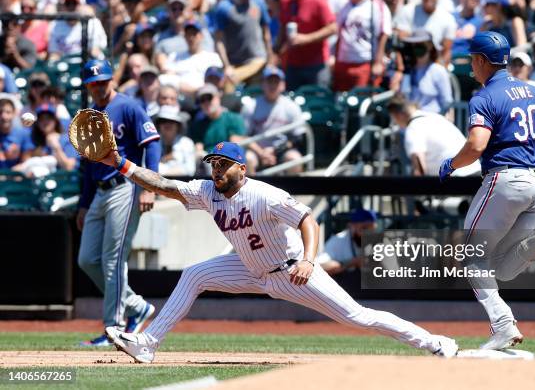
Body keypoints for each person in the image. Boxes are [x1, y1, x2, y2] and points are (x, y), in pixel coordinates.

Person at [100, 141, 459, 363]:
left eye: (224, 164)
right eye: (213, 164)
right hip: (249, 268)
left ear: (242, 168)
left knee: (357, 317)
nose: (217, 169)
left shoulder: (264, 194)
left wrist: (307, 259)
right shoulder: (208, 192)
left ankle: (432, 342)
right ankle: (147, 343)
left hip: (290, 271)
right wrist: (120, 162)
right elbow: (163, 185)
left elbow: (308, 221)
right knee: (195, 274)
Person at [438, 32, 535, 350]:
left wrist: (451, 164)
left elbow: (476, 145)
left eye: (472, 61)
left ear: (480, 60)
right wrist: (534, 147)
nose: (470, 68)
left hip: (505, 181)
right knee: (502, 268)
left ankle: (503, 326)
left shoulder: (484, 96)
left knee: (471, 257)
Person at [77, 59, 160, 347]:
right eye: (93, 83)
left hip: (126, 187)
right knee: (87, 259)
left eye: (103, 81)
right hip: (99, 192)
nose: (99, 86)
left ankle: (115, 327)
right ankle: (136, 307)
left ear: (112, 80)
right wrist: (84, 203)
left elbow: (152, 143)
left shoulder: (128, 106)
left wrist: (150, 185)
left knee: (113, 260)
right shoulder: (89, 116)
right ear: (87, 86)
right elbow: (87, 166)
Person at [387, 92, 480, 176]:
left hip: (458, 182)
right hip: (476, 173)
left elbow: (419, 169)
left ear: (398, 115)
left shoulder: (413, 128)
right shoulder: (435, 117)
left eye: (393, 119)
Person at [241, 66, 305, 175]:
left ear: (283, 85)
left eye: (276, 81)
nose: (272, 85)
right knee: (248, 159)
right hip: (257, 151)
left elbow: (298, 138)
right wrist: (261, 152)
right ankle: (250, 191)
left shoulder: (291, 107)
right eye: (269, 81)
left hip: (282, 150)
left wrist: (275, 150)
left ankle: (293, 191)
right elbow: (243, 136)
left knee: (295, 159)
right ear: (262, 84)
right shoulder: (251, 106)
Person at [276, 0, 337, 90]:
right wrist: (276, 50)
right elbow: (283, 27)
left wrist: (306, 39)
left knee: (317, 100)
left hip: (316, 66)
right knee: (293, 100)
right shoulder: (286, 1)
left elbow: (333, 28)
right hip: (293, 65)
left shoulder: (316, 0)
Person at [333, 0, 392, 91]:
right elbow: (339, 34)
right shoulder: (345, 6)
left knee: (361, 99)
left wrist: (378, 62)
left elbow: (383, 34)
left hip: (364, 63)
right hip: (343, 63)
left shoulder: (376, 5)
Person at [214, 0, 273, 91]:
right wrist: (227, 66)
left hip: (258, 61)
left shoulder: (258, 2)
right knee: (228, 89)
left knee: (257, 93)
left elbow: (266, 33)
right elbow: (219, 41)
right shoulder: (224, 7)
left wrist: (270, 60)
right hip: (234, 64)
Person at [13, 103, 78, 178]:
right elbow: (26, 165)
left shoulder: (66, 139)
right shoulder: (34, 141)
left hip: (63, 184)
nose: (45, 122)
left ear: (55, 120)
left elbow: (69, 167)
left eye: (48, 118)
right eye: (42, 119)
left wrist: (56, 147)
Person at [397, 30, 453, 114]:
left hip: (431, 120)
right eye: (414, 45)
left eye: (420, 44)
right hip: (410, 120)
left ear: (430, 46)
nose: (417, 48)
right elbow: (403, 98)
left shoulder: (438, 71)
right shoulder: (408, 70)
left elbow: (447, 102)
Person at [393, 0, 457, 66]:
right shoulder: (407, 11)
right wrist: (400, 70)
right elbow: (399, 44)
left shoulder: (448, 19)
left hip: (433, 64)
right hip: (408, 64)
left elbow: (446, 51)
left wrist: (439, 70)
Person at [318, 208, 377, 275]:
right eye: (364, 228)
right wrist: (352, 263)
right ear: (351, 226)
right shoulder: (337, 241)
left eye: (372, 230)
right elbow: (321, 267)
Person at [156, 105, 196, 176]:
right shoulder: (153, 143)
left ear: (178, 125)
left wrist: (165, 172)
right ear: (158, 125)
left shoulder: (187, 143)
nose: (167, 124)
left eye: (171, 121)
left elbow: (190, 170)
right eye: (163, 121)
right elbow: (147, 168)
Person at [0, 95, 31, 169]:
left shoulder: (24, 134)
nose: (4, 116)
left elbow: (26, 161)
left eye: (8, 112)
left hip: (16, 177)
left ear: (14, 113)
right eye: (0, 112)